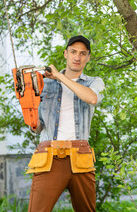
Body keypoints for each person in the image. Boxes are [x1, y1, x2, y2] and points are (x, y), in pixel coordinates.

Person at [27, 35, 105, 212]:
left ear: (88, 57)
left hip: (81, 157)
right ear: (66, 54)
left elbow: (92, 98)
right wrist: (28, 110)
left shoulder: (93, 82)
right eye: (73, 52)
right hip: (49, 156)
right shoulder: (44, 84)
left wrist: (60, 77)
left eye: (83, 53)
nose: (77, 57)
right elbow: (37, 127)